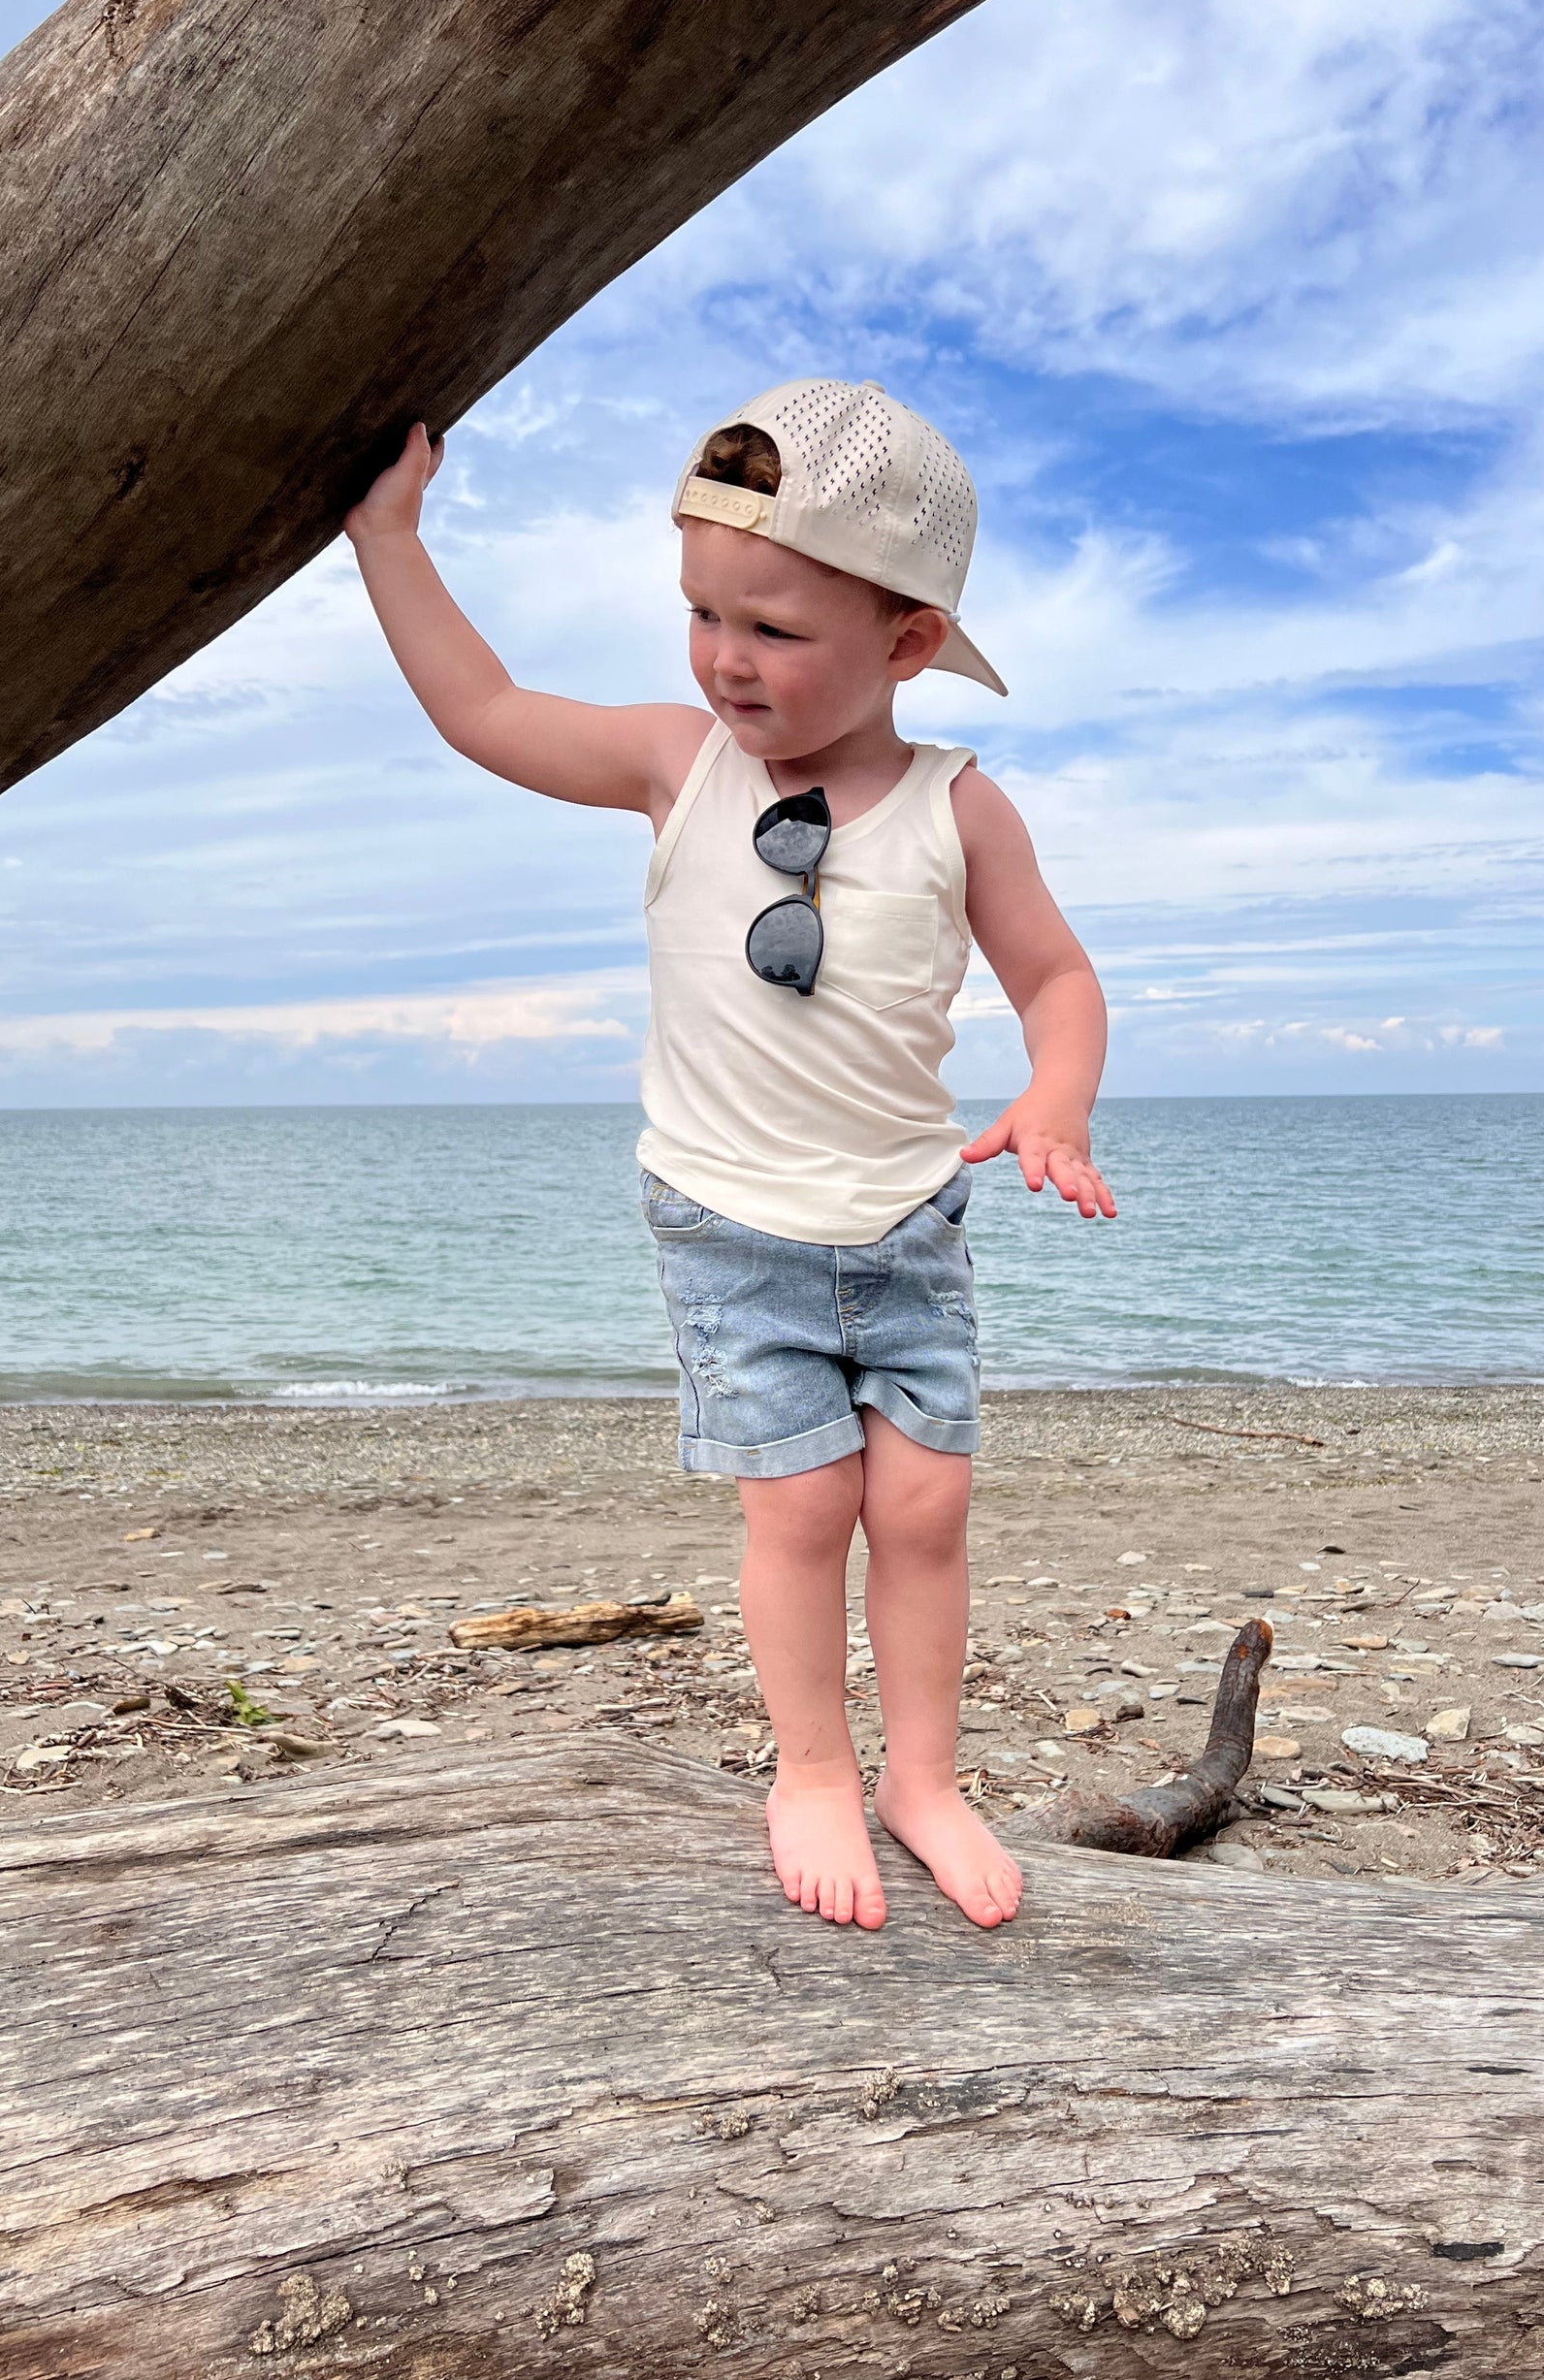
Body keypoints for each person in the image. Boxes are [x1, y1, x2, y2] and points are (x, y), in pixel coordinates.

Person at [345, 378, 1114, 1932]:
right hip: (729, 1226)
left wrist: (1055, 1098)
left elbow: (1057, 978)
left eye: (770, 628)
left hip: (904, 1225)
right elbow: (485, 712)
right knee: (802, 1507)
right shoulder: (674, 765)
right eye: (700, 614)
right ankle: (813, 1770)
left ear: (906, 642)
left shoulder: (959, 808)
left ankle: (925, 1778)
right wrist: (388, 542)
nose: (723, 658)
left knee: (923, 1510)